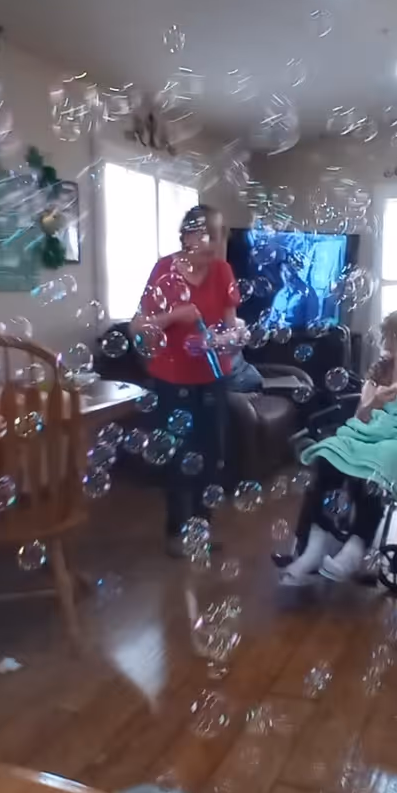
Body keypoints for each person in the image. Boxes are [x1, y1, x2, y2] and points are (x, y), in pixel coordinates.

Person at [280, 310, 397, 586]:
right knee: (330, 454)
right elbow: (362, 414)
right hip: (373, 429)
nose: (385, 341)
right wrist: (376, 403)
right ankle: (315, 546)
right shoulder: (379, 369)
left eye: (389, 336)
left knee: (375, 465)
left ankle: (356, 547)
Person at [131, 204, 241, 554]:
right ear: (187, 236)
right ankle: (177, 533)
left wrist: (220, 339)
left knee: (213, 453)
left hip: (213, 375)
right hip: (171, 377)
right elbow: (139, 327)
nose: (214, 242)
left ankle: (201, 529)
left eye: (219, 233)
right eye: (205, 233)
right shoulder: (164, 270)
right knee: (179, 453)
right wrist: (175, 315)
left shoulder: (223, 271)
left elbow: (231, 326)